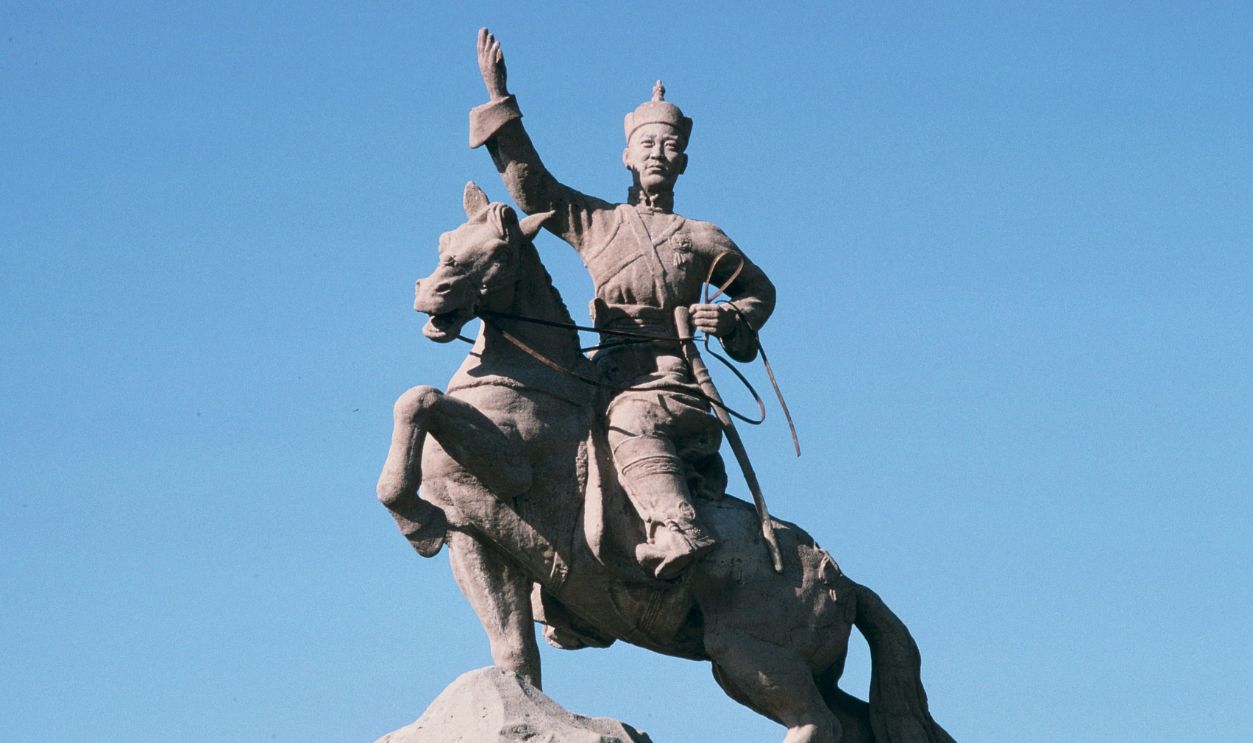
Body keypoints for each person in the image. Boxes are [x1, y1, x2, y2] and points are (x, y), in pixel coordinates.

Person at [470, 29, 776, 580]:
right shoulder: (599, 222)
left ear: (683, 161)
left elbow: (759, 291)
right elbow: (533, 189)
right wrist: (499, 99)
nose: (659, 153)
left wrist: (730, 317)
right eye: (648, 145)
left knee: (632, 418)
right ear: (627, 157)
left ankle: (679, 526)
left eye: (669, 146)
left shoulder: (702, 237)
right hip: (600, 373)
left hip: (665, 382)